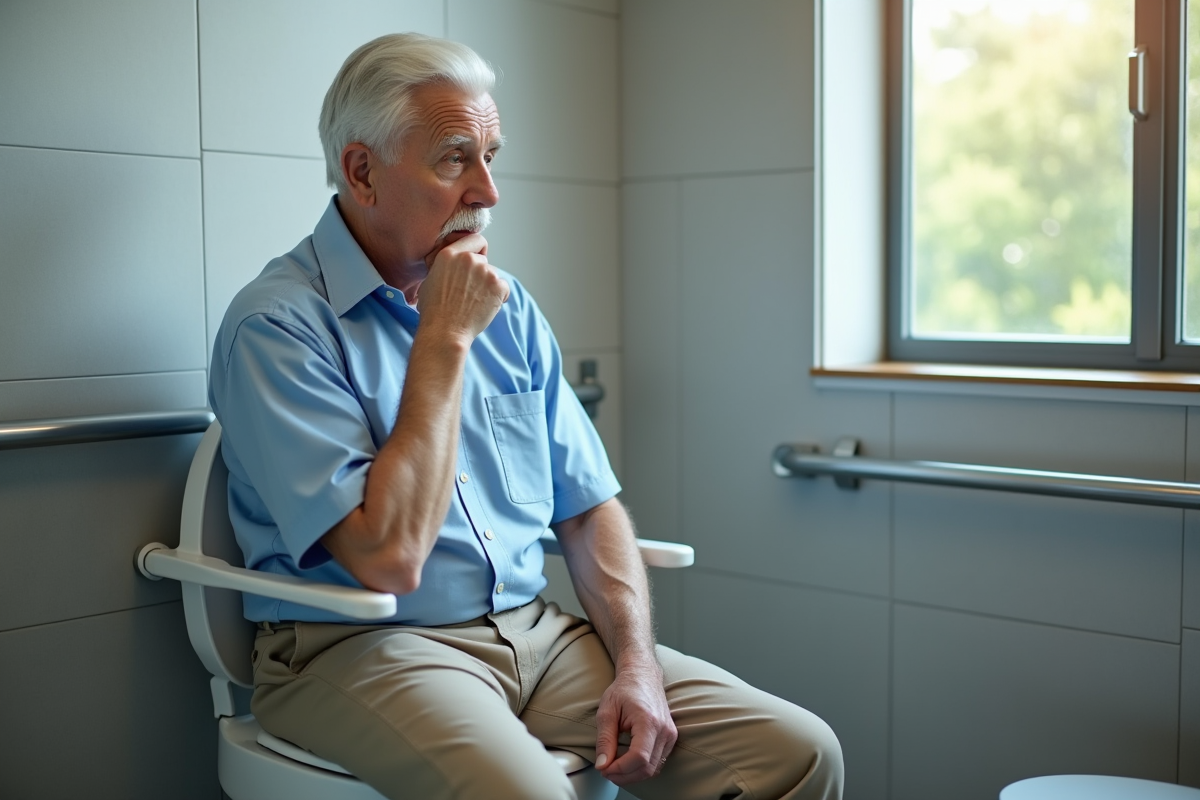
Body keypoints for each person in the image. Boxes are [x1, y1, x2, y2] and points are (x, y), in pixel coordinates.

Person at [208, 31, 843, 800]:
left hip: (537, 636)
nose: (487, 192)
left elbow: (589, 509)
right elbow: (388, 558)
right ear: (362, 172)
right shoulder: (276, 327)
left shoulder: (508, 309)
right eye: (454, 160)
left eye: (490, 157)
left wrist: (637, 666)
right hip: (359, 650)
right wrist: (443, 339)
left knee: (800, 755)